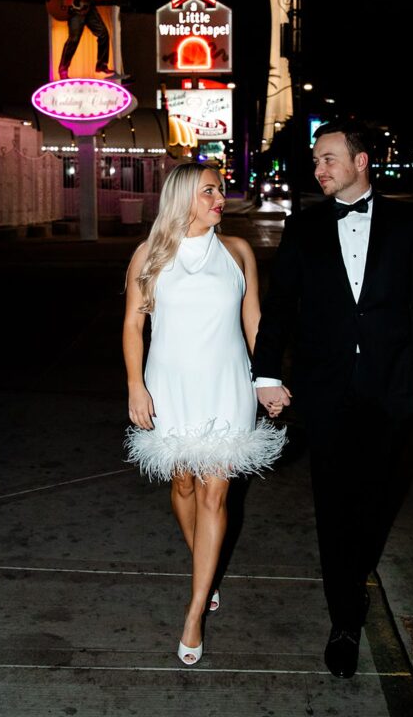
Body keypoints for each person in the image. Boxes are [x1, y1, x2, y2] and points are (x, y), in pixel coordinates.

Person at [252, 119, 413, 678]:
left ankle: (355, 579)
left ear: (360, 162)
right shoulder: (303, 227)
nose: (319, 169)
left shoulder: (408, 225)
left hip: (390, 392)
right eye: (315, 161)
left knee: (374, 505)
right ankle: (343, 622)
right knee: (333, 507)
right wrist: (265, 375)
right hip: (326, 391)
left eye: (328, 158)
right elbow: (281, 307)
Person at [124, 163, 286, 666]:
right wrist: (135, 385)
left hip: (227, 383)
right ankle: (206, 566)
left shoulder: (237, 252)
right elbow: (133, 326)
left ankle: (195, 611)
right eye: (210, 191)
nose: (221, 198)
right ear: (183, 199)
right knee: (184, 486)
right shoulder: (150, 255)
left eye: (219, 189)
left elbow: (254, 320)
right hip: (170, 383)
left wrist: (268, 380)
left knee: (216, 489)